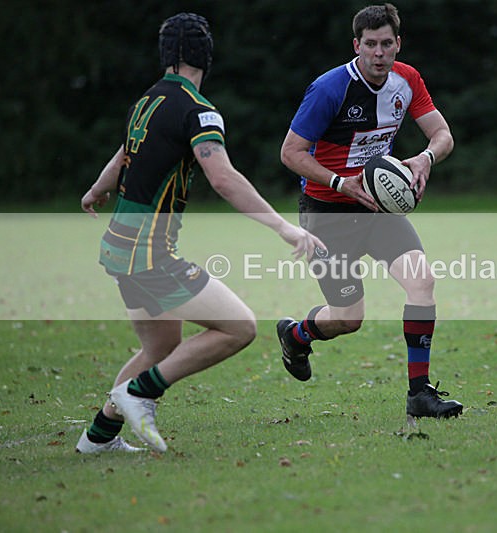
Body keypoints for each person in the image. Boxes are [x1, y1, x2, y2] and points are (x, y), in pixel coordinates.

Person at [76, 12, 322, 454]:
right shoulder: (199, 110)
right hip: (147, 252)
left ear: (167, 54)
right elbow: (224, 179)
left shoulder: (147, 101)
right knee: (239, 327)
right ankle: (137, 393)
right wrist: (283, 227)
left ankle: (98, 439)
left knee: (161, 345)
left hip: (119, 246)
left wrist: (97, 188)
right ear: (204, 55)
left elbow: (124, 153)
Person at [277, 3, 462, 420]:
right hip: (327, 212)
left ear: (398, 44)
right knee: (347, 317)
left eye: (386, 44)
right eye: (370, 44)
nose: (379, 53)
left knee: (422, 281)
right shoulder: (329, 89)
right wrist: (342, 183)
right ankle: (295, 334)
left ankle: (420, 394)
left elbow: (442, 134)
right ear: (356, 45)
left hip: (378, 209)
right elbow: (290, 153)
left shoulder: (407, 80)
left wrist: (426, 159)